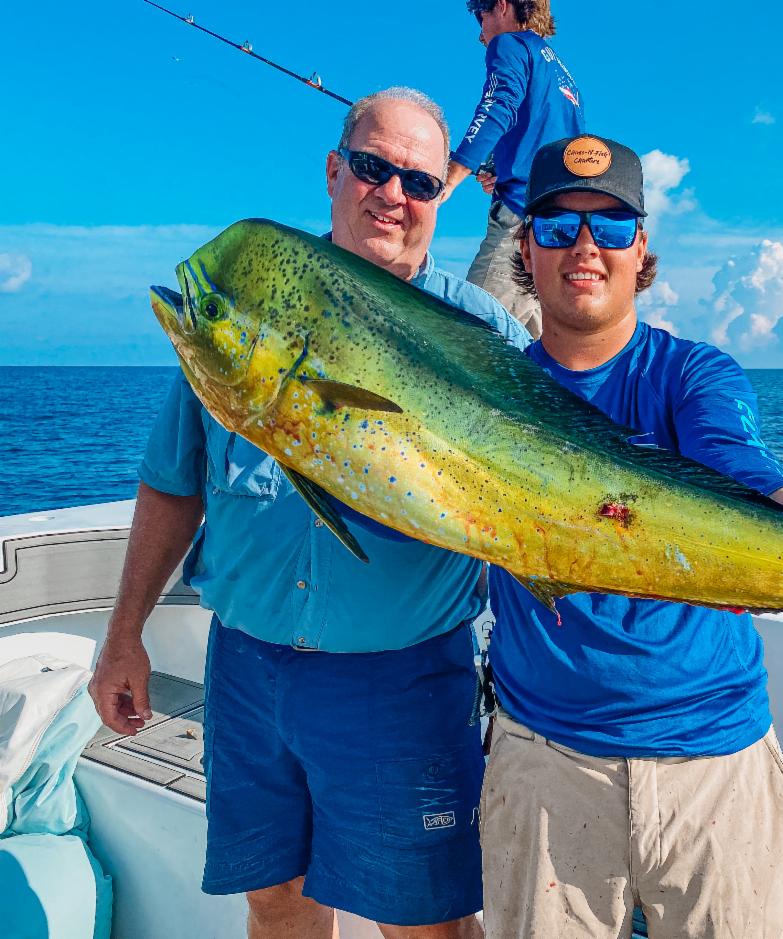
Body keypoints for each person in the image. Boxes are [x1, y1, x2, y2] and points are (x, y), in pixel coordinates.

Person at [87, 87, 530, 939]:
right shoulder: (240, 315)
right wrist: (124, 633)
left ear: (443, 197)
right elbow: (173, 482)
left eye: (420, 181)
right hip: (248, 671)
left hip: (402, 681)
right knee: (277, 903)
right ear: (334, 171)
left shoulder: (485, 337)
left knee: (427, 926)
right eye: (372, 167)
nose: (393, 193)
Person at [480, 135, 783, 938]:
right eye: (557, 226)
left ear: (640, 249)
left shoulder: (694, 374)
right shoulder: (490, 389)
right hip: (545, 763)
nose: (585, 247)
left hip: (716, 766)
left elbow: (735, 462)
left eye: (610, 227)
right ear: (526, 250)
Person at [440, 0, 584, 337]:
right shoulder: (563, 75)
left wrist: (452, 174)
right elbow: (556, 149)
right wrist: (500, 167)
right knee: (533, 363)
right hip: (557, 239)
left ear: (502, 6)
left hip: (519, 229)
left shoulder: (510, 44)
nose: (480, 34)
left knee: (468, 340)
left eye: (481, 16)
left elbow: (497, 105)